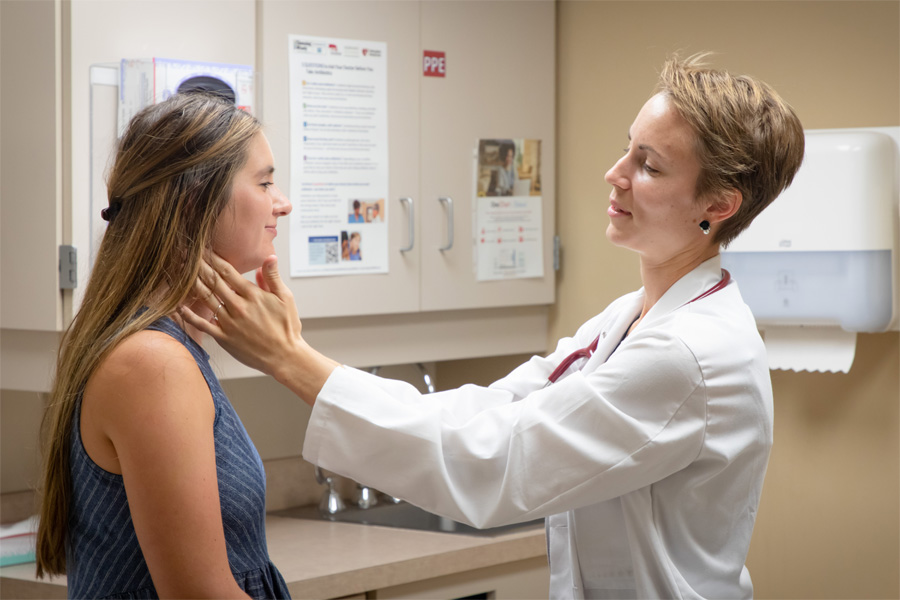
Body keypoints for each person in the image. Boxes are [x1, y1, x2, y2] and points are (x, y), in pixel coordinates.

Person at [182, 54, 805, 598]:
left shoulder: (691, 353)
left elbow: (498, 463)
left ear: (718, 206)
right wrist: (296, 358)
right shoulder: (626, 320)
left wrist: (291, 359)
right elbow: (486, 413)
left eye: (649, 166)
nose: (614, 174)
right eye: (626, 147)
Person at [35, 93, 293, 599]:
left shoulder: (168, 347)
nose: (281, 202)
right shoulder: (152, 363)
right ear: (195, 201)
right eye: (263, 183)